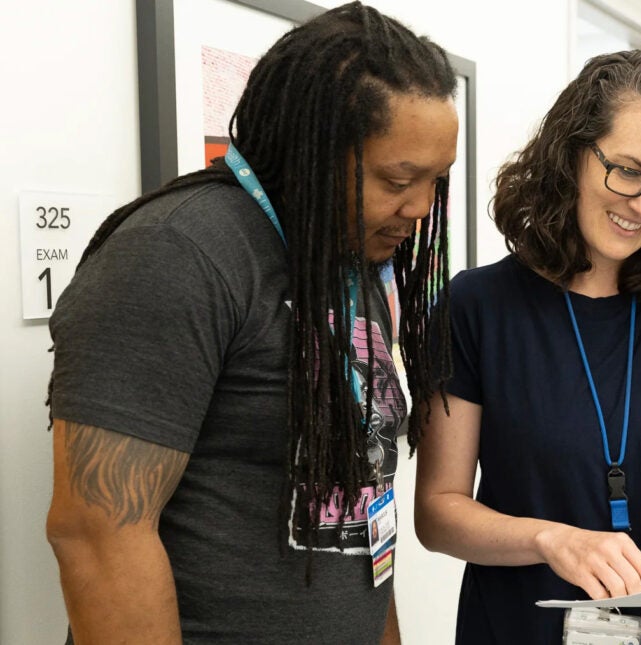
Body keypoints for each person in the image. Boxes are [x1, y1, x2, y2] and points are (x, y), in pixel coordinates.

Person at [45, 3, 458, 643]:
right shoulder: (177, 252)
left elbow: (364, 523)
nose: (422, 207)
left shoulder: (343, 259)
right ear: (310, 154)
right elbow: (97, 532)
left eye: (437, 180)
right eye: (398, 178)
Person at [414, 49, 641, 644]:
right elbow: (439, 511)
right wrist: (549, 539)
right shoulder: (477, 307)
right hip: (519, 627)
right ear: (572, 152)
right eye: (629, 171)